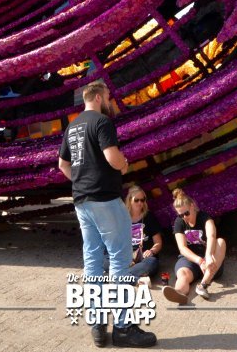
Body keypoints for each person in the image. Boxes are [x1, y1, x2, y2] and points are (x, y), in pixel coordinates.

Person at [58, 81, 156, 348]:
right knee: (119, 261)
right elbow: (112, 156)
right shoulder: (102, 122)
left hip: (82, 202)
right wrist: (123, 164)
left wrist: (81, 181)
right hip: (105, 199)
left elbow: (63, 164)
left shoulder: (72, 127)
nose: (111, 101)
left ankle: (98, 325)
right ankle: (123, 328)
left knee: (92, 261)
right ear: (99, 97)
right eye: (109, 96)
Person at [162, 188, 227, 305]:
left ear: (192, 206)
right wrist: (199, 261)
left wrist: (208, 256)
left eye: (186, 213)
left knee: (221, 242)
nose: (184, 217)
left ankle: (203, 285)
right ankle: (179, 293)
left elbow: (211, 236)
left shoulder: (205, 218)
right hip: (191, 259)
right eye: (180, 215)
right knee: (182, 274)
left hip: (211, 262)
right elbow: (182, 248)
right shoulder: (179, 222)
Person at [124, 185, 164, 286]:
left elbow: (158, 243)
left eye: (142, 200)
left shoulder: (149, 216)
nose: (140, 203)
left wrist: (151, 251)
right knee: (105, 260)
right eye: (136, 200)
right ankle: (134, 277)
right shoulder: (122, 217)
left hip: (144, 256)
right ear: (129, 200)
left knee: (152, 262)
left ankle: (121, 275)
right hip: (126, 256)